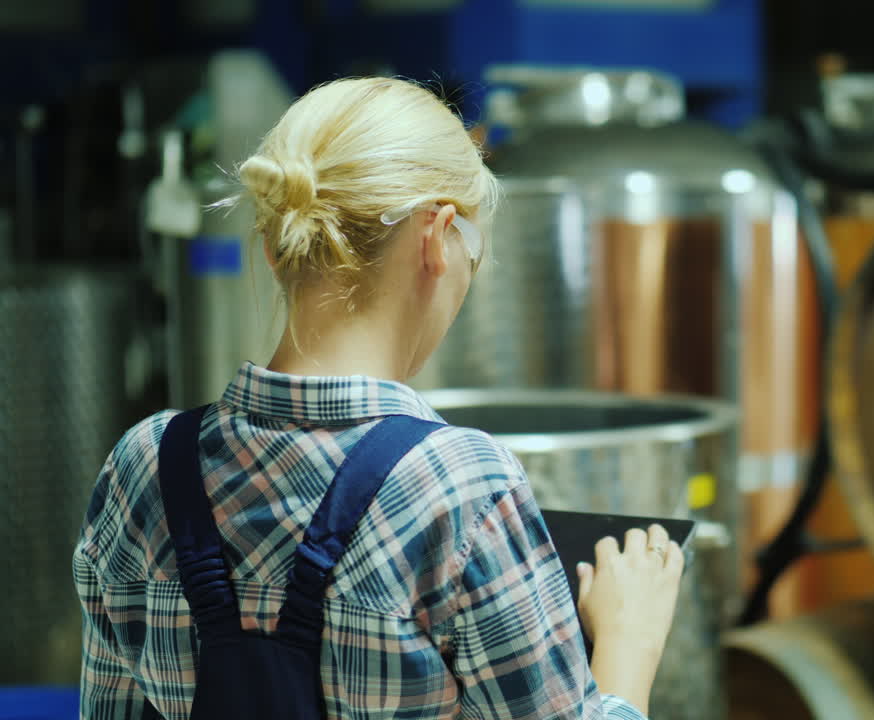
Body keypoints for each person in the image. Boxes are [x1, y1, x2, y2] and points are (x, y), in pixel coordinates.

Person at [74, 76, 683, 720]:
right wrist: (629, 640)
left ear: (274, 250)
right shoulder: (460, 486)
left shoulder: (143, 465)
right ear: (436, 237)